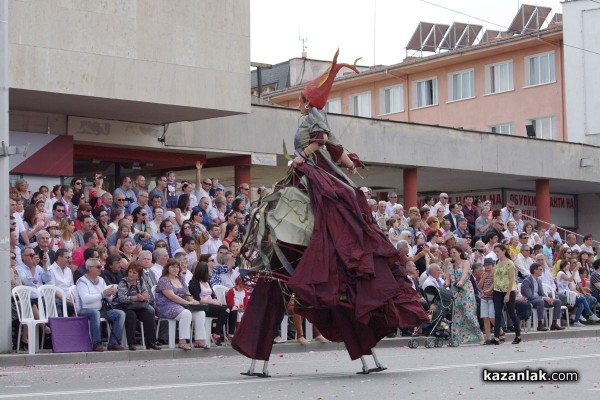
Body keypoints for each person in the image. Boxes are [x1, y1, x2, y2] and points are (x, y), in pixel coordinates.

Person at [232, 50, 429, 363]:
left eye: (300, 98)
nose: (299, 102)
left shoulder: (312, 117)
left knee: (327, 206)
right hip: (310, 173)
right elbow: (336, 148)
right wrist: (348, 162)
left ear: (305, 100)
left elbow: (322, 142)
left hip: (310, 172)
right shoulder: (312, 117)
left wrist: (301, 156)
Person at [154, 258, 208, 350]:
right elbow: (171, 296)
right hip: (166, 306)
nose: (176, 269)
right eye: (173, 267)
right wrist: (187, 302)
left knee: (200, 313)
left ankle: (199, 340)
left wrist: (192, 300)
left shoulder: (180, 279)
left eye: (177, 267)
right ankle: (182, 341)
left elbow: (187, 293)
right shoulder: (164, 280)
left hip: (181, 305)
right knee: (186, 313)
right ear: (167, 268)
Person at [76, 258, 126, 352]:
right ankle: (96, 343)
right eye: (98, 267)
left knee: (120, 314)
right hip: (84, 309)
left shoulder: (101, 280)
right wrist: (103, 294)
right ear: (90, 268)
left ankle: (113, 343)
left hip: (99, 310)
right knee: (95, 313)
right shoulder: (82, 281)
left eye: (101, 266)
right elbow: (85, 299)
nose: (101, 269)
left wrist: (111, 293)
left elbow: (108, 299)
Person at [113, 261, 161, 350]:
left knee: (150, 312)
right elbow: (122, 298)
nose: (131, 274)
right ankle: (131, 343)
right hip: (123, 305)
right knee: (131, 315)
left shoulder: (141, 281)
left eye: (134, 273)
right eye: (130, 272)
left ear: (138, 275)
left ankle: (151, 342)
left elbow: (145, 293)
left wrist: (145, 296)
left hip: (136, 305)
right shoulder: (123, 282)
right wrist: (136, 298)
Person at [189, 261, 238, 345]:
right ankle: (216, 334)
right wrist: (211, 301)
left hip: (211, 304)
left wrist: (215, 300)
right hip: (203, 306)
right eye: (209, 270)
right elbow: (198, 299)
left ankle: (231, 334)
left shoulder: (207, 282)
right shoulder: (194, 282)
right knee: (225, 310)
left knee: (234, 308)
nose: (210, 272)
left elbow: (213, 294)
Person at [445, 246, 483, 344]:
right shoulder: (449, 264)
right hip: (455, 291)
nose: (452, 255)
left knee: (469, 314)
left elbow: (465, 274)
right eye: (451, 253)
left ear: (459, 253)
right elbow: (448, 278)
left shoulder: (465, 262)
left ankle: (479, 334)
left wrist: (461, 281)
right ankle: (456, 339)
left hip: (466, 290)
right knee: (457, 316)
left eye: (454, 252)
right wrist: (445, 284)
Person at [520, 263, 565, 331]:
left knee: (557, 301)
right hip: (530, 301)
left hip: (539, 299)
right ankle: (540, 324)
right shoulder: (527, 281)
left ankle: (554, 324)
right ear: (535, 270)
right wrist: (544, 298)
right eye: (540, 269)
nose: (542, 271)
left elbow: (542, 293)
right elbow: (529, 296)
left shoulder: (538, 280)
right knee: (540, 301)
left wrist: (548, 298)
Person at [491, 244, 521, 345]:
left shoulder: (509, 263)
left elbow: (511, 279)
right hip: (497, 290)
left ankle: (518, 335)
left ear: (504, 251)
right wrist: (491, 288)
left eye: (498, 251)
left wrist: (508, 294)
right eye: (495, 251)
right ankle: (496, 336)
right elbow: (495, 277)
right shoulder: (497, 262)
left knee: (511, 312)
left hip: (508, 290)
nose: (497, 253)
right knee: (497, 313)